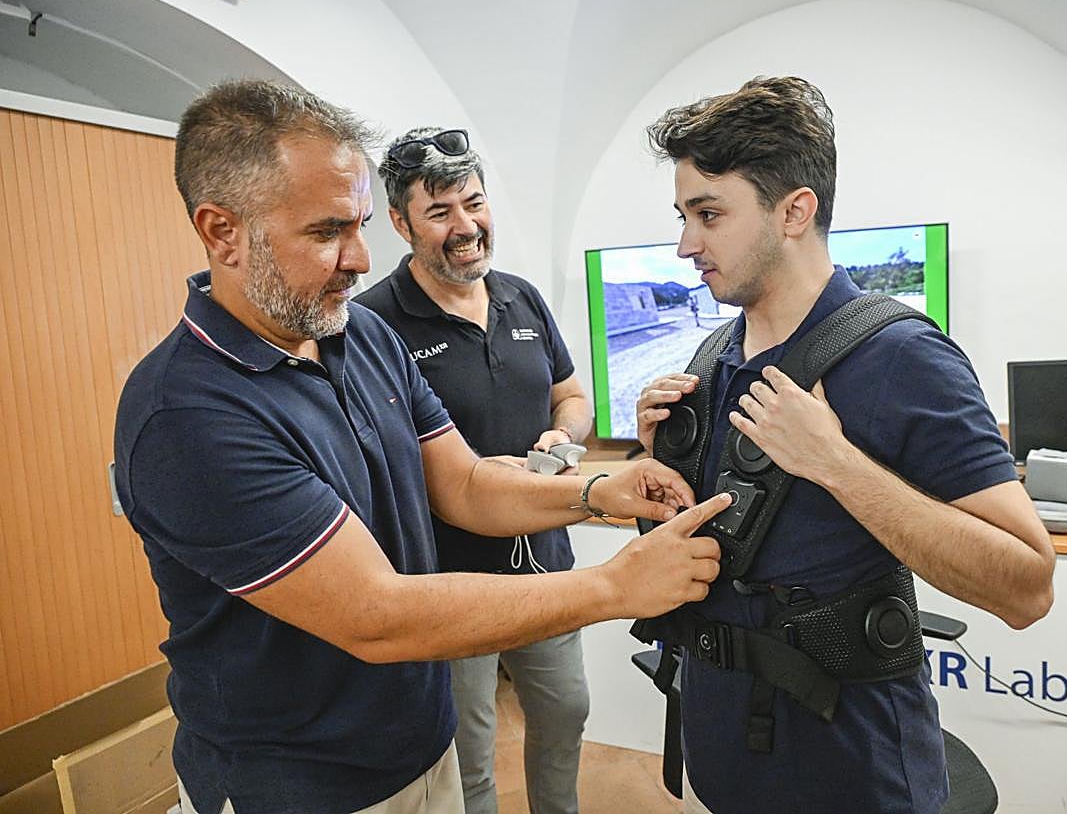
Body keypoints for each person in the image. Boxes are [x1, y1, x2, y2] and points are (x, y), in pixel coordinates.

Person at [113, 79, 728, 814]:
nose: (358, 258)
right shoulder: (188, 414)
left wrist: (595, 492)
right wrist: (616, 586)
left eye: (361, 225)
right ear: (222, 232)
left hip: (418, 745)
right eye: (327, 231)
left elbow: (464, 484)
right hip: (305, 788)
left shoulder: (361, 335)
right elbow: (377, 615)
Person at [634, 76, 1055, 814]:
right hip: (721, 762)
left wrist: (836, 464)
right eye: (683, 216)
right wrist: (658, 464)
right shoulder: (712, 358)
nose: (685, 245)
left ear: (794, 211)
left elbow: (1028, 586)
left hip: (853, 776)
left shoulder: (903, 358)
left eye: (709, 214)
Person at [354, 127, 592, 814]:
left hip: (544, 562)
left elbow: (573, 397)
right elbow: (376, 460)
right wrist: (470, 474)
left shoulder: (522, 298)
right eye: (439, 212)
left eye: (474, 203)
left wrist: (562, 435)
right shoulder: (373, 323)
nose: (465, 227)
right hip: (447, 579)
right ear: (399, 223)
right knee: (469, 750)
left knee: (566, 712)